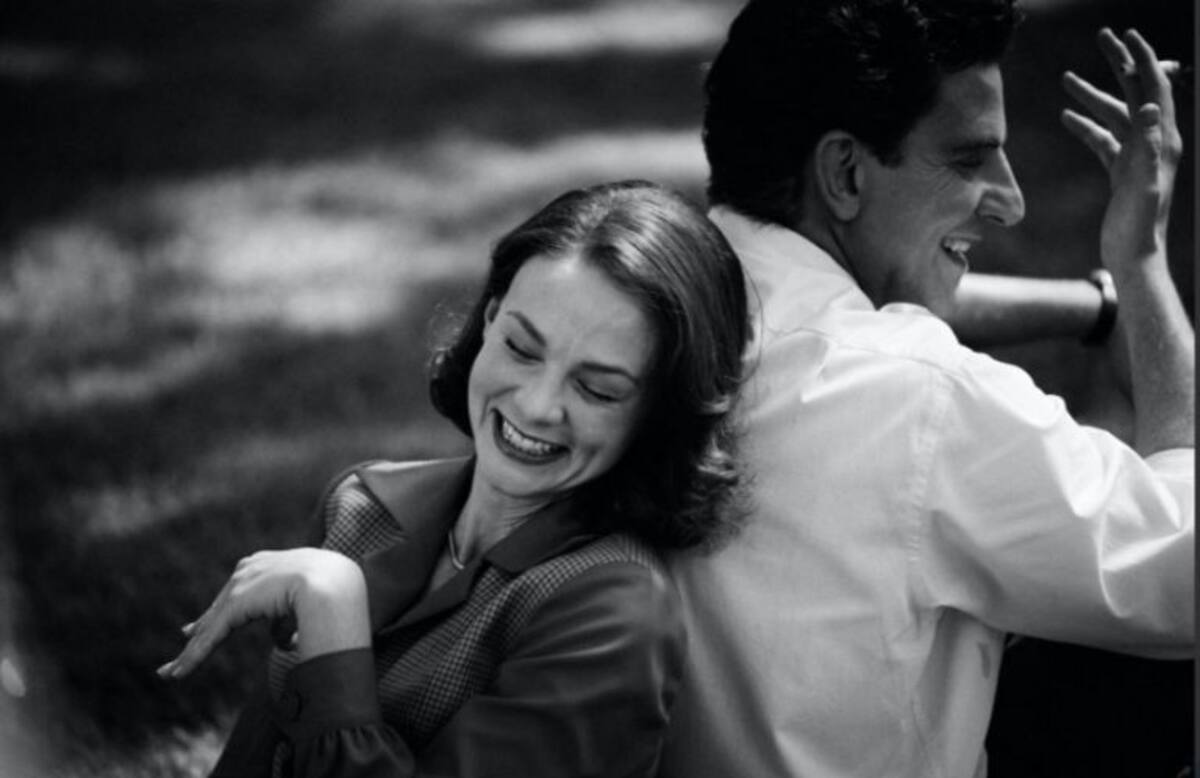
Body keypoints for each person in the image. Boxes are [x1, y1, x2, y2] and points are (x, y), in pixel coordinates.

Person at [660, 2, 1194, 777]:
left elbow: (871, 305)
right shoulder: (920, 396)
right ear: (846, 173)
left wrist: (1094, 309)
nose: (1011, 200)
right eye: (970, 160)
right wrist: (1141, 268)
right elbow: (1181, 574)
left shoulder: (645, 305)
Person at [157, 179, 751, 777]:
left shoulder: (613, 615)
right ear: (490, 319)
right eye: (522, 348)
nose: (538, 405)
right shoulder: (361, 502)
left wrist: (333, 629)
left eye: (597, 389)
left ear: (658, 414)